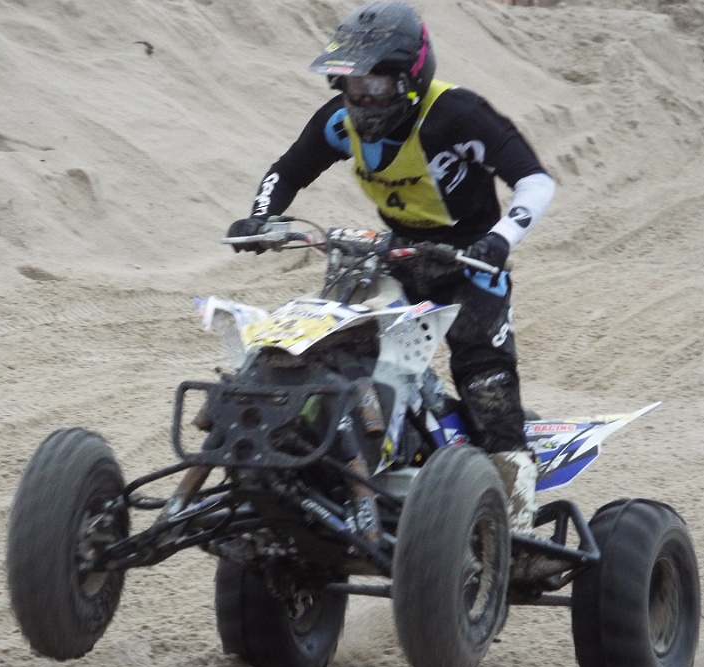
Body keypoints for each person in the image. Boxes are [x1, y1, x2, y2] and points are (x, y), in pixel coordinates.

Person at [225, 1, 555, 535]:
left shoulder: (458, 114)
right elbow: (287, 171)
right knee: (344, 353)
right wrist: (261, 217)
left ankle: (515, 524)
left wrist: (500, 239)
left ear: (410, 77)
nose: (362, 98)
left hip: (470, 262)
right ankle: (344, 464)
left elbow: (535, 181)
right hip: (397, 259)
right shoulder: (339, 122)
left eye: (376, 85)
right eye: (352, 84)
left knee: (486, 382)